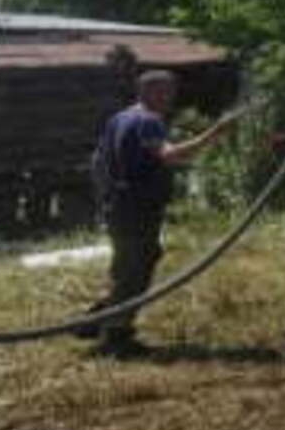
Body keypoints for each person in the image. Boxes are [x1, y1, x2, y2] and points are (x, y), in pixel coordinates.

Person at [82, 70, 239, 357]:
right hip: (137, 207)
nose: (171, 97)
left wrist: (106, 197)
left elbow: (98, 160)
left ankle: (96, 320)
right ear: (149, 92)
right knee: (135, 271)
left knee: (130, 264)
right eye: (167, 92)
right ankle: (115, 337)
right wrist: (214, 133)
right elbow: (172, 155)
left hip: (119, 204)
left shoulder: (120, 117)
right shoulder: (148, 121)